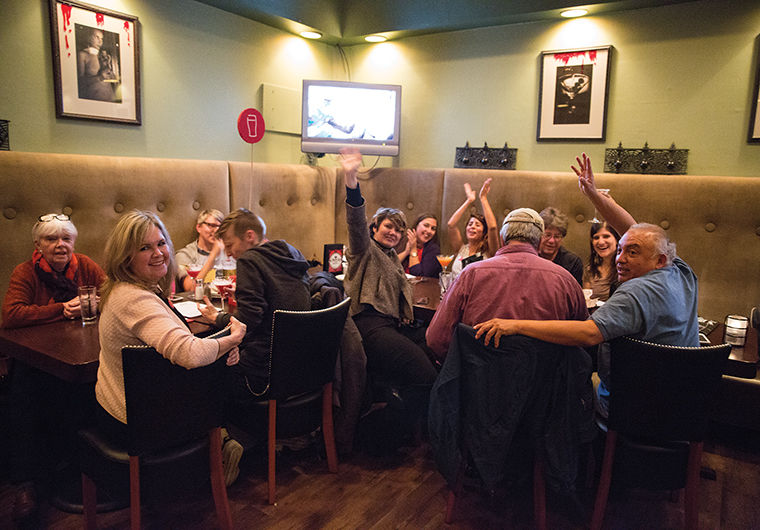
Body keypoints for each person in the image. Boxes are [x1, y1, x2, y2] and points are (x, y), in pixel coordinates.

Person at [474, 153, 699, 417]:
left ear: (659, 260)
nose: (620, 259)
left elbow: (587, 333)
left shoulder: (636, 292)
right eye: (621, 250)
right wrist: (593, 194)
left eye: (632, 253)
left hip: (635, 406)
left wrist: (514, 324)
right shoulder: (681, 271)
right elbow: (633, 230)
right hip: (683, 400)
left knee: (562, 389)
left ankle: (571, 452)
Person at [95, 210, 245, 481]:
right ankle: (217, 445)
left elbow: (182, 348)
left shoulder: (135, 290)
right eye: (144, 248)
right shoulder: (133, 298)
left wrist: (221, 349)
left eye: (161, 243)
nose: (158, 253)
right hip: (140, 421)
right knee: (232, 379)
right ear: (125, 257)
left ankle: (217, 444)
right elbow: (188, 353)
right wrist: (232, 339)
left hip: (144, 406)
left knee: (226, 366)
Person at [2, 213, 106, 524]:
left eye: (66, 239)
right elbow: (11, 315)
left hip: (82, 349)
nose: (60, 245)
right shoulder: (26, 272)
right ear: (38, 244)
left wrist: (99, 302)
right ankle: (26, 483)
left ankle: (95, 468)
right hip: (37, 357)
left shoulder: (84, 265)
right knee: (23, 392)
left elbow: (110, 291)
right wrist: (61, 309)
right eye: (51, 239)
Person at [340, 147, 437, 442]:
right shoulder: (364, 250)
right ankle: (378, 433)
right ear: (374, 228)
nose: (393, 233)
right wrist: (351, 179)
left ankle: (410, 420)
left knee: (435, 350)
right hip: (369, 327)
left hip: (392, 325)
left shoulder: (392, 257)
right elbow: (355, 222)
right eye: (388, 227)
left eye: (398, 229)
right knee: (426, 377)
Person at [426, 208, 588, 358]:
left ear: (503, 240)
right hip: (544, 385)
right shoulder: (565, 280)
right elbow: (583, 335)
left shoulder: (470, 274)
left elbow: (436, 339)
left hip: (479, 382)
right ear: (539, 243)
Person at [198, 208, 311, 402]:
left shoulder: (249, 259)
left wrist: (217, 317)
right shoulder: (291, 253)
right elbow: (284, 295)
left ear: (250, 236)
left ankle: (226, 430)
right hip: (301, 364)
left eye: (230, 245)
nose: (230, 253)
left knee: (208, 373)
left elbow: (248, 320)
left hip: (264, 372)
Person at [446, 178, 500, 274]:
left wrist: (483, 198)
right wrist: (469, 201)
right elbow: (451, 224)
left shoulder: (489, 252)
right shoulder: (461, 248)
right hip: (454, 288)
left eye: (477, 225)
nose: (472, 227)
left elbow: (492, 227)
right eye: (470, 224)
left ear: (484, 232)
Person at [176, 209, 236, 292]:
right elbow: (190, 288)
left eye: (220, 227)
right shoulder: (185, 254)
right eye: (211, 225)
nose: (216, 230)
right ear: (199, 227)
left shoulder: (231, 251)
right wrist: (213, 256)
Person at [538, 206, 583, 285]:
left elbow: (575, 294)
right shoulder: (530, 257)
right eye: (547, 235)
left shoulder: (573, 263)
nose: (551, 241)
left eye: (557, 236)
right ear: (538, 234)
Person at [583, 221, 620, 302]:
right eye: (596, 238)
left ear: (617, 239)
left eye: (606, 236)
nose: (601, 242)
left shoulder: (625, 269)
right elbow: (586, 301)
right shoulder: (589, 270)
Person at [77, 27, 116, 102]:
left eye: (102, 38)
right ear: (89, 37)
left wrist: (108, 66)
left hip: (110, 100)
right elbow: (79, 82)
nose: (100, 41)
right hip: (94, 101)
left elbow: (111, 78)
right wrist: (99, 77)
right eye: (97, 37)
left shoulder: (103, 56)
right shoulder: (82, 55)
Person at [398, 213, 442, 278]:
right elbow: (389, 266)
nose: (429, 231)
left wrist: (413, 250)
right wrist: (406, 252)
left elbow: (419, 276)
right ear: (416, 226)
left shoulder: (434, 250)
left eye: (433, 228)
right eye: (426, 225)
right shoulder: (404, 240)